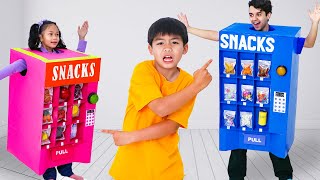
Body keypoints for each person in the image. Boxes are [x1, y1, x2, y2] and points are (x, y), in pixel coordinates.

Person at [178, 0, 320, 180]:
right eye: (251, 14)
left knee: (275, 137)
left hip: (271, 99)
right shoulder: (241, 35)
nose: (254, 19)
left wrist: (315, 22)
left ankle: (285, 175)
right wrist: (189, 28)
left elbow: (308, 43)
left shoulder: (281, 38)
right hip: (242, 98)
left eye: (259, 14)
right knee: (238, 136)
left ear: (268, 15)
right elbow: (216, 35)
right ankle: (235, 176)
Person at [101, 17, 213, 180]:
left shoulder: (188, 82)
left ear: (185, 48)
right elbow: (160, 107)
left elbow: (171, 126)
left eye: (174, 42)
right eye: (160, 43)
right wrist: (197, 86)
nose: (167, 48)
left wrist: (130, 136)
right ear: (150, 49)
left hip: (166, 168)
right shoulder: (143, 70)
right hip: (131, 165)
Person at [28, 19, 89, 180]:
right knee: (46, 141)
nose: (55, 37)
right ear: (40, 37)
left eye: (57, 34)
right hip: (45, 105)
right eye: (50, 34)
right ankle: (49, 175)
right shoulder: (35, 56)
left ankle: (66, 171)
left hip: (64, 103)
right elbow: (17, 67)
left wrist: (81, 39)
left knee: (64, 138)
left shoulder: (62, 53)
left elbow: (78, 58)